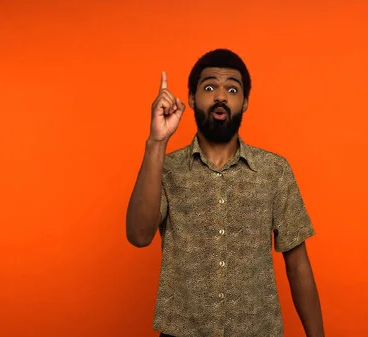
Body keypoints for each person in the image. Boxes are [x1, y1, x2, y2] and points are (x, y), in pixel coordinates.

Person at [126, 48, 324, 337]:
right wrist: (156, 142)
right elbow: (138, 236)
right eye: (209, 87)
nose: (220, 96)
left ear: (244, 102)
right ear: (192, 99)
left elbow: (297, 264)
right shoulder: (165, 169)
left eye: (232, 88)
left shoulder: (274, 170)